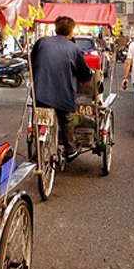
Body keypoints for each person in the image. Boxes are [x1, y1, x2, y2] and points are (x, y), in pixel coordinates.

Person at [31, 16, 94, 162]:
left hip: (40, 91)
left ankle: (37, 149)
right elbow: (84, 75)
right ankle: (70, 150)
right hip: (63, 95)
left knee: (39, 118)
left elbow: (32, 61)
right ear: (71, 33)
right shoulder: (74, 48)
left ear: (55, 29)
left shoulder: (42, 42)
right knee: (66, 118)